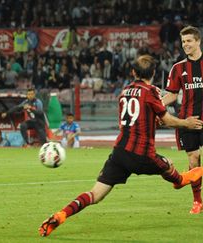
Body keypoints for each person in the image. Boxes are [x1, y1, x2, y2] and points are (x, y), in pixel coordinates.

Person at [39, 55, 203, 237]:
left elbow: (126, 123)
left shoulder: (124, 92)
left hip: (119, 153)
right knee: (175, 174)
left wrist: (151, 120)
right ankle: (182, 178)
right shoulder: (151, 92)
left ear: (133, 72)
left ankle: (60, 215)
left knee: (95, 194)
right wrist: (186, 123)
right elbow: (168, 120)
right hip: (143, 154)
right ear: (154, 73)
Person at [162, 25, 203, 214]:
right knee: (194, 159)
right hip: (188, 120)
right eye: (183, 41)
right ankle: (197, 201)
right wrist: (155, 106)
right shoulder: (178, 68)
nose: (185, 45)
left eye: (189, 41)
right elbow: (171, 95)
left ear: (198, 41)